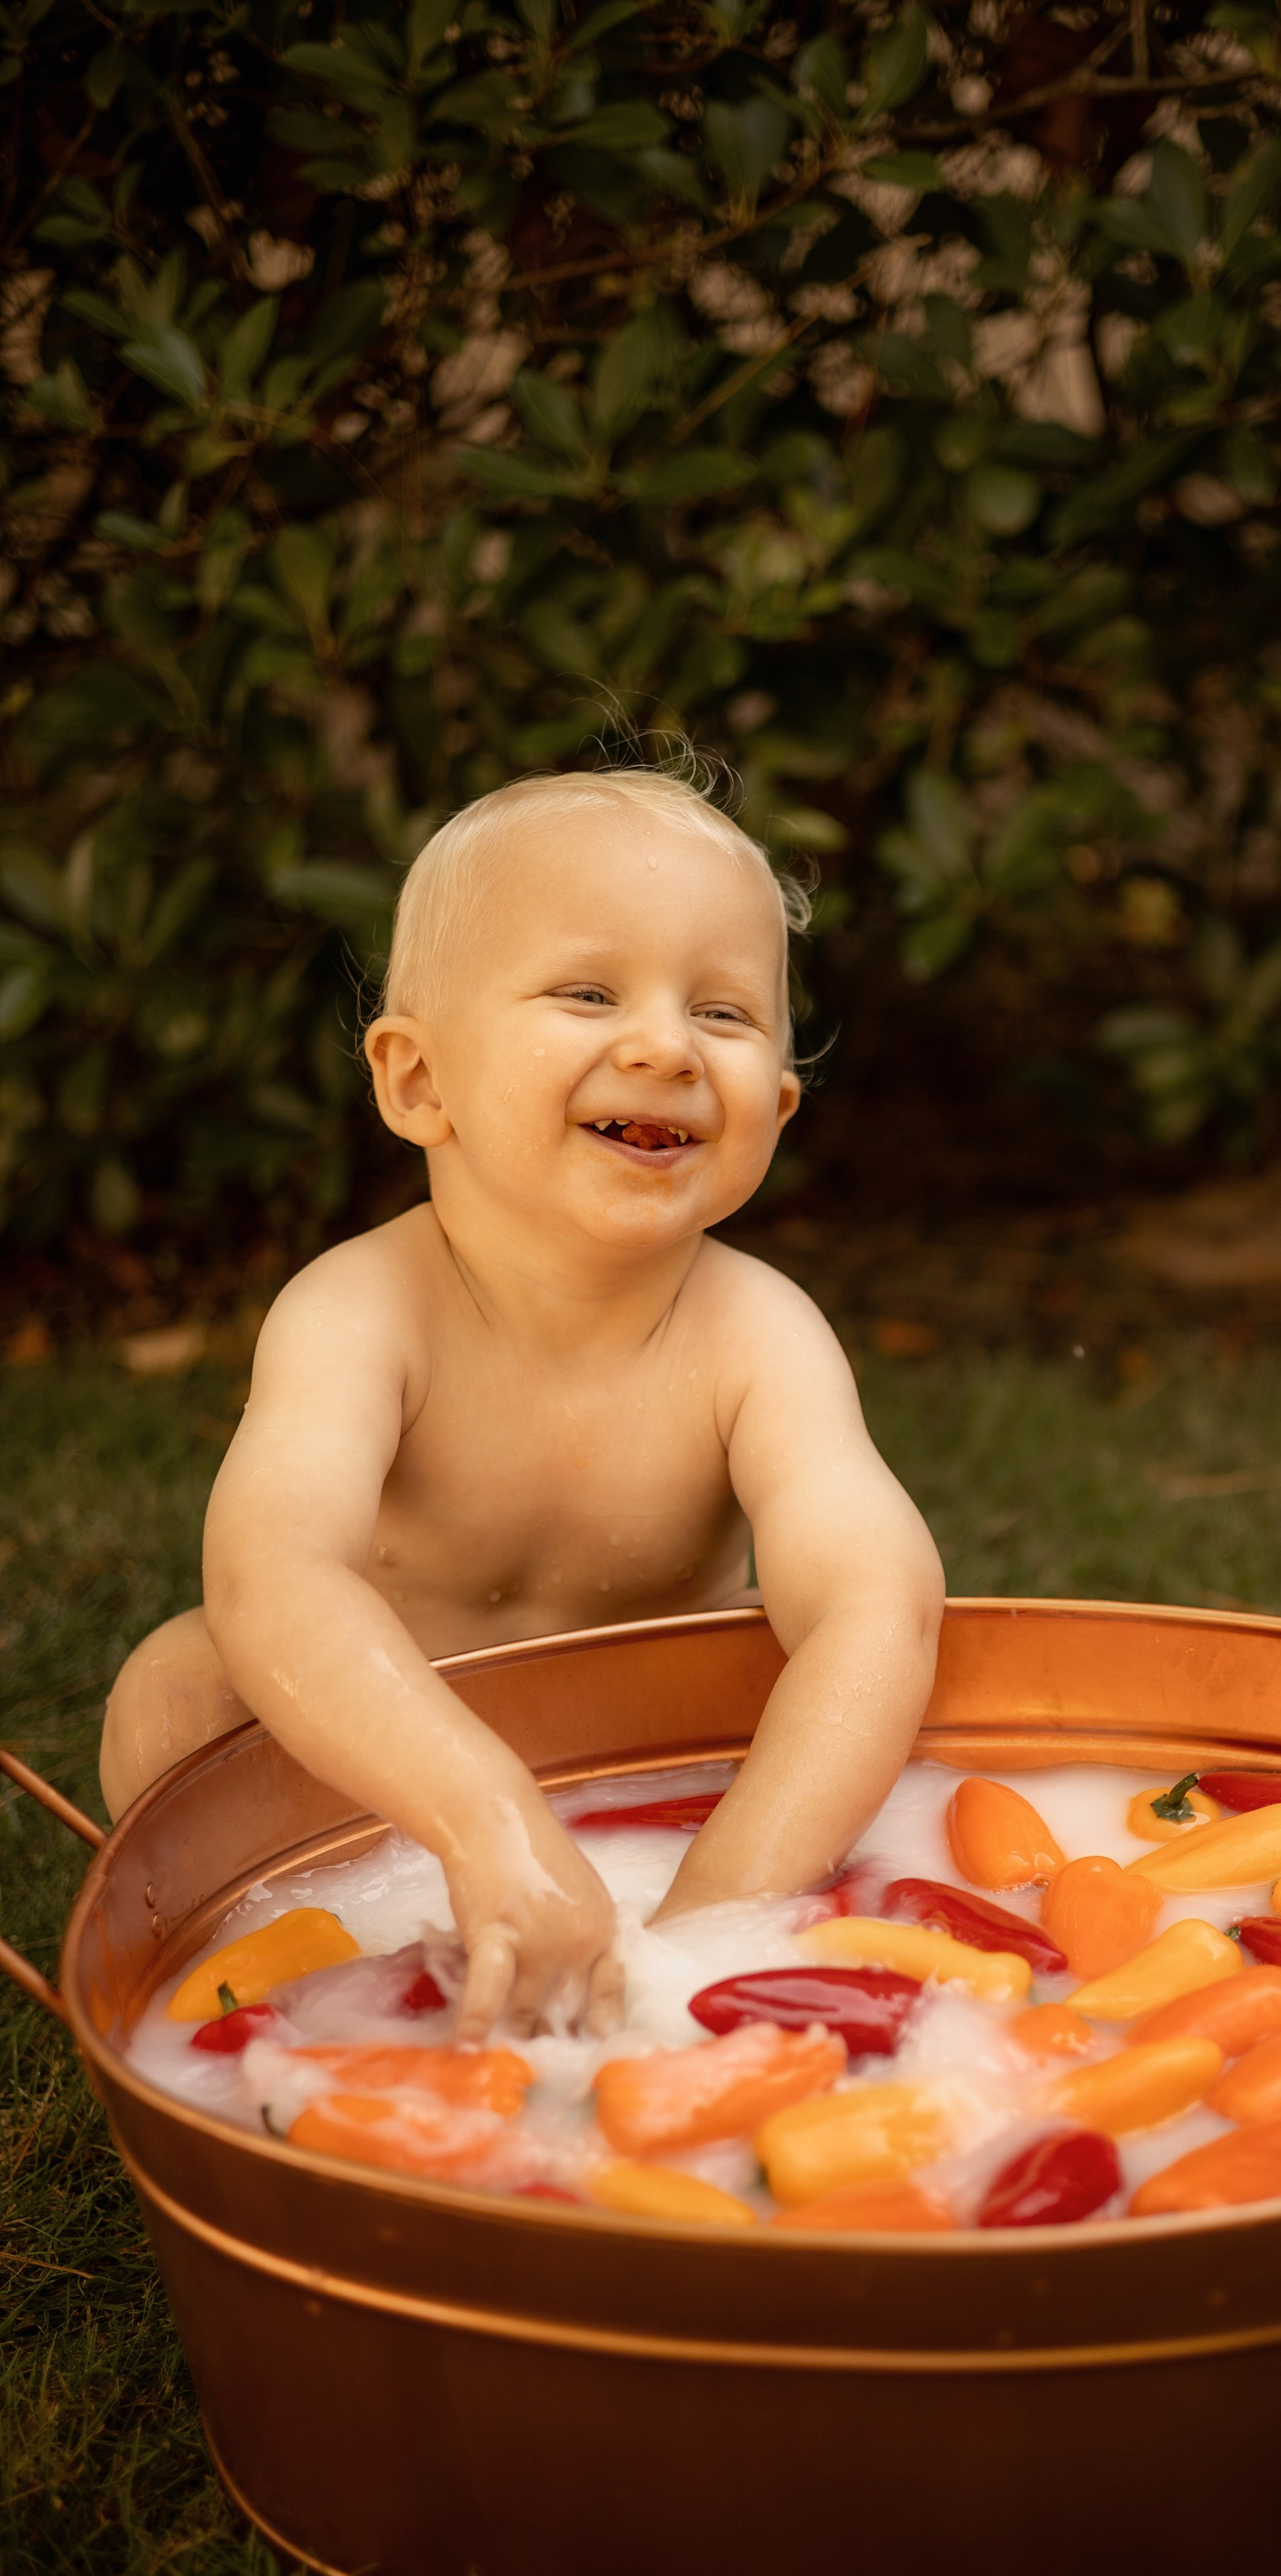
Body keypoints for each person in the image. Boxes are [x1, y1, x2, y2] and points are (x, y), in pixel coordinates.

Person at [99, 766, 945, 2040]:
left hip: (669, 1776)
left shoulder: (758, 1333)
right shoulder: (360, 1313)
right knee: (179, 1691)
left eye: (721, 1011)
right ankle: (312, 1955)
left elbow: (878, 1599)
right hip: (384, 1770)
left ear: (774, 1110)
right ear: (420, 1083)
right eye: (589, 992)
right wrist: (481, 1817)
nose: (665, 1045)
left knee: (864, 1695)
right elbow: (275, 1574)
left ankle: (723, 1898)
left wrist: (720, 1912)